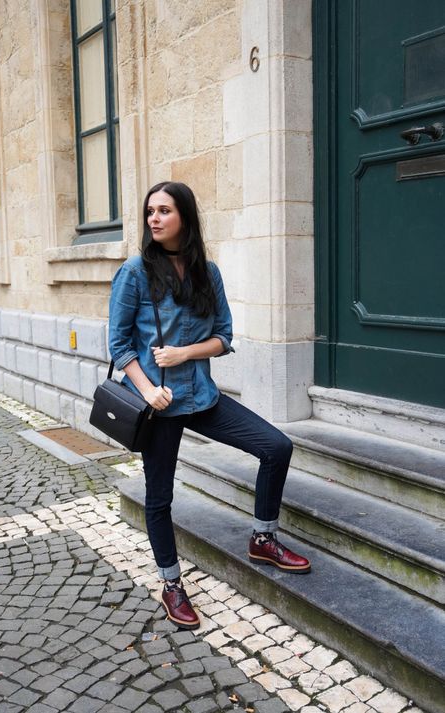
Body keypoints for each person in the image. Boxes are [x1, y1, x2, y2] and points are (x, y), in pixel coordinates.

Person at [109, 182, 311, 630]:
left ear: (185, 216)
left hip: (201, 397)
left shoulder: (208, 272)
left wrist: (186, 353)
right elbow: (119, 345)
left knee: (276, 447)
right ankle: (171, 583)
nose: (154, 219)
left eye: (164, 210)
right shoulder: (135, 272)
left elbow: (224, 337)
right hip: (158, 406)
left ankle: (263, 536)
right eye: (150, 212)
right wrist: (146, 390)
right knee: (159, 499)